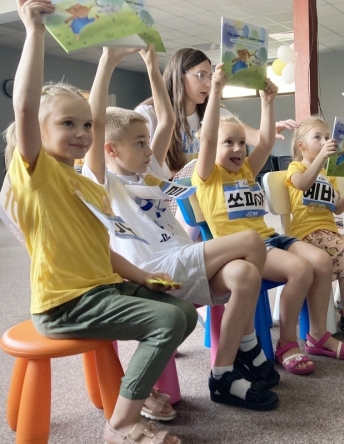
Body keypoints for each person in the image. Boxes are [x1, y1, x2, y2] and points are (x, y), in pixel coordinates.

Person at [5, 1, 197, 442]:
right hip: (64, 303)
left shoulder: (83, 181)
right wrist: (34, 32)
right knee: (166, 323)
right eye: (67, 124)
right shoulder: (36, 172)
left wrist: (145, 277)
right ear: (38, 129)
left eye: (87, 125)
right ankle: (122, 425)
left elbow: (103, 250)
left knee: (182, 312)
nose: (81, 132)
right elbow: (26, 105)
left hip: (100, 286)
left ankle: (137, 393)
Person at [82, 46, 279, 411]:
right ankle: (248, 349)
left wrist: (152, 67)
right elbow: (94, 123)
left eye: (146, 142)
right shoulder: (100, 180)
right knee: (251, 240)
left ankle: (222, 375)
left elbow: (167, 119)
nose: (149, 148)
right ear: (109, 150)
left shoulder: (150, 169)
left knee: (245, 275)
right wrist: (108, 62)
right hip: (155, 270)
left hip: (181, 261)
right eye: (139, 143)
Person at [193, 65, 344, 376]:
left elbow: (266, 142)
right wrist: (215, 92)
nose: (239, 149)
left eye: (241, 142)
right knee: (300, 269)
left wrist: (267, 102)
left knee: (321, 261)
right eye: (229, 143)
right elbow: (209, 136)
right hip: (242, 251)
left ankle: (318, 336)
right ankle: (286, 343)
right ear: (212, 145)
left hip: (270, 239)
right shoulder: (208, 176)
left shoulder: (243, 171)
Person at [135, 48, 299, 176]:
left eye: (210, 76)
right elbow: (140, 167)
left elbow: (259, 140)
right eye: (201, 75)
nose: (208, 83)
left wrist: (269, 122)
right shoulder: (148, 114)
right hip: (167, 198)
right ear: (179, 75)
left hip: (205, 196)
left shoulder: (216, 114)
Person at [286, 117, 344, 342]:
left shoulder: (328, 175)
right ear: (301, 146)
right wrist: (320, 158)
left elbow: (337, 209)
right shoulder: (296, 167)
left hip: (329, 233)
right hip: (305, 235)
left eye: (327, 137)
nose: (325, 141)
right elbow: (302, 184)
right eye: (317, 137)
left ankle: (342, 303)